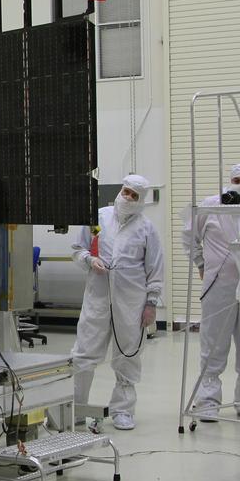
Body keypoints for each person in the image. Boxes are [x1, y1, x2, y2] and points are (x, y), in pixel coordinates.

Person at [71, 174, 163, 431]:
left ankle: (123, 410)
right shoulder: (98, 218)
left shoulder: (146, 228)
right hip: (97, 298)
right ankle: (77, 409)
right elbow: (78, 249)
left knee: (128, 356)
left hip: (132, 303)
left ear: (141, 200)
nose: (128, 198)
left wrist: (151, 303)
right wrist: (90, 261)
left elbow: (155, 268)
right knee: (84, 353)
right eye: (126, 191)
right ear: (120, 190)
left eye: (134, 195)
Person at [181, 162, 240, 422]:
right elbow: (189, 235)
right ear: (230, 179)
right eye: (237, 180)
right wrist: (200, 262)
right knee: (213, 344)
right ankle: (208, 401)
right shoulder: (211, 205)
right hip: (218, 284)